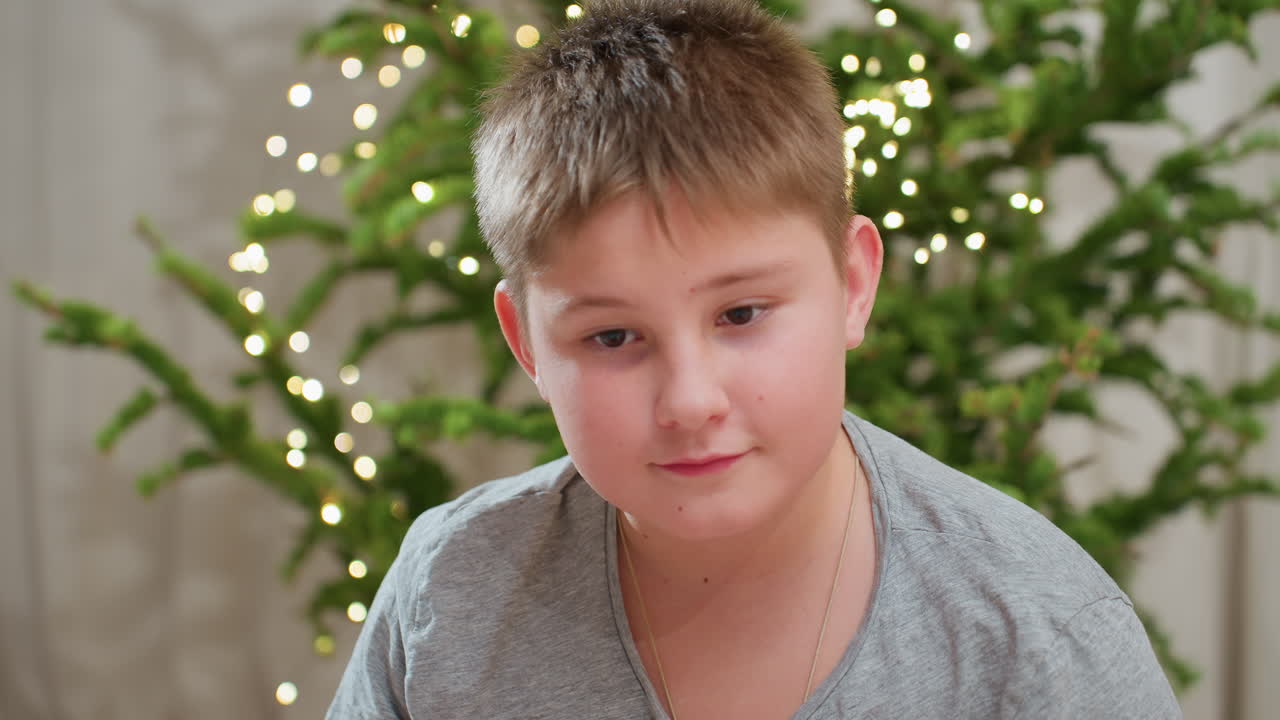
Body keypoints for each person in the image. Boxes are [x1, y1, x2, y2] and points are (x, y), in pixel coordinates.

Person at [328, 0, 1181, 717]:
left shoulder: (1040, 642)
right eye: (613, 337)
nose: (689, 401)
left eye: (740, 314)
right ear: (526, 344)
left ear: (853, 285)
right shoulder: (451, 597)